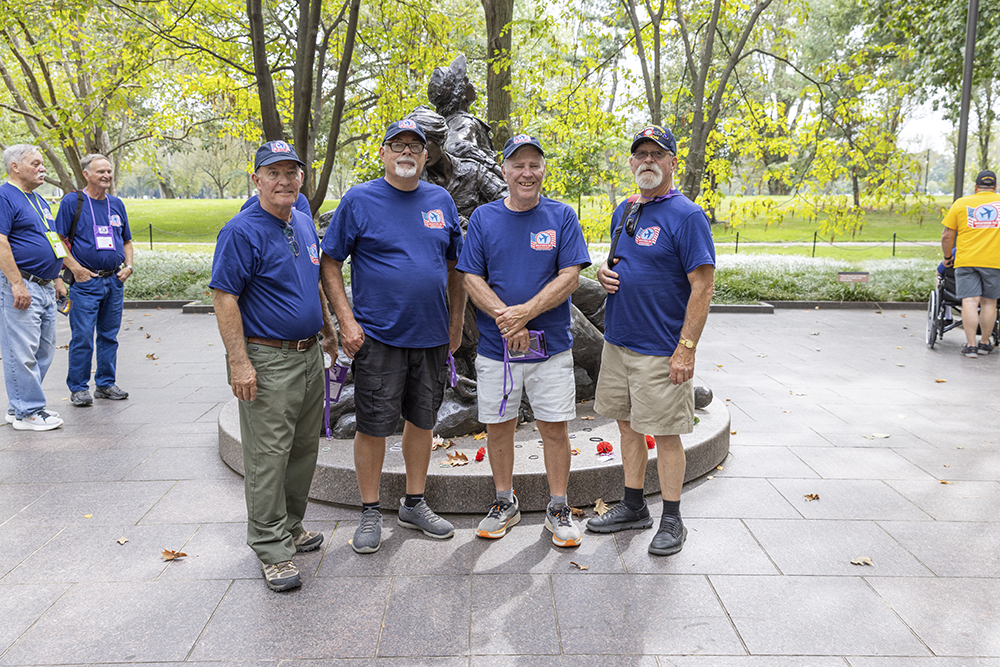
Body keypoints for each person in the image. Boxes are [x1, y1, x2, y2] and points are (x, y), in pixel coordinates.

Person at [321, 119, 465, 555]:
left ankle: (414, 503)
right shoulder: (360, 199)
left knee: (423, 422)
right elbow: (329, 263)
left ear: (425, 157)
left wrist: (455, 324)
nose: (407, 152)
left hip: (430, 336)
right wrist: (346, 322)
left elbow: (457, 266)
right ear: (383, 153)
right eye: (397, 145)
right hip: (377, 336)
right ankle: (369, 510)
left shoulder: (441, 200)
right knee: (373, 425)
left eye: (415, 147)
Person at [210, 140, 338, 592]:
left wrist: (328, 328)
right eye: (274, 173)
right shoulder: (241, 231)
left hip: (307, 354)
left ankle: (291, 525)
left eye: (291, 173)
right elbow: (224, 296)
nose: (283, 181)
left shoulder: (301, 221)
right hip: (267, 359)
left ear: (301, 178)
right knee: (268, 457)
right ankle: (270, 546)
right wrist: (239, 362)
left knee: (304, 449)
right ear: (257, 179)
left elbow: (312, 280)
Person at [457, 134, 591, 547]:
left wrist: (525, 314)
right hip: (497, 351)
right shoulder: (483, 219)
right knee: (498, 427)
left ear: (543, 170)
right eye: (518, 165)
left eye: (534, 164)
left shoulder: (562, 217)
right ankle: (504, 502)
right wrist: (507, 319)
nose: (526, 173)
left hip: (551, 348)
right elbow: (470, 277)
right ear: (504, 170)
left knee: (555, 428)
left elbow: (569, 276)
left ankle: (558, 507)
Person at [587, 125, 715, 557]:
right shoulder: (625, 209)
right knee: (626, 426)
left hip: (662, 349)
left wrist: (686, 348)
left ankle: (673, 519)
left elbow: (703, 287)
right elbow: (621, 261)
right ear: (631, 162)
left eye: (656, 154)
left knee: (665, 434)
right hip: (619, 342)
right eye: (640, 154)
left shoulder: (688, 216)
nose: (647, 161)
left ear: (672, 162)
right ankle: (633, 505)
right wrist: (604, 273)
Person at [56, 154, 134, 406]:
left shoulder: (116, 204)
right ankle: (78, 388)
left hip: (114, 281)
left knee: (109, 336)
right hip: (86, 282)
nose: (106, 175)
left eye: (109, 171)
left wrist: (129, 266)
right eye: (100, 171)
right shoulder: (73, 202)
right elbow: (56, 239)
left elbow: (127, 240)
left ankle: (106, 384)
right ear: (86, 175)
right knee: (82, 336)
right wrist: (75, 269)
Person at [0, 145, 67, 431]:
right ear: (15, 166)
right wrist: (17, 284)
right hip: (21, 284)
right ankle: (29, 411)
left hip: (44, 286)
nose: (43, 168)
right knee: (21, 351)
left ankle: (19, 407)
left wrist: (57, 279)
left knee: (43, 351)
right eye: (36, 163)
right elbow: (1, 242)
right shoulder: (5, 196)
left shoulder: (38, 200)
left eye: (43, 164)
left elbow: (51, 240)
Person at [405, 106, 507, 223]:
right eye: (413, 146)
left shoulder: (472, 170)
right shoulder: (415, 183)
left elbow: (509, 201)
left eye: (425, 143)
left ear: (440, 139)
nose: (420, 151)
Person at [941, 169, 1000, 358]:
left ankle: (971, 346)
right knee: (989, 302)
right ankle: (984, 343)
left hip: (966, 260)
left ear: (976, 187)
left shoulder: (961, 204)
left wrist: (947, 256)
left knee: (969, 301)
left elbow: (947, 234)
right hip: (994, 260)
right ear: (995, 187)